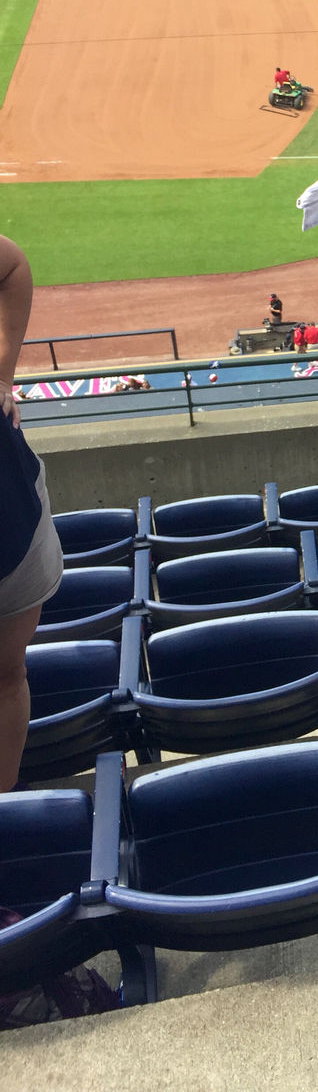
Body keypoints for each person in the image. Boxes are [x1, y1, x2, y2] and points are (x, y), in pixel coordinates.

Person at [0, 237, 64, 792]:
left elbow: (13, 262)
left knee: (7, 675)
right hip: (13, 522)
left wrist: (2, 374)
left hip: (10, 521)